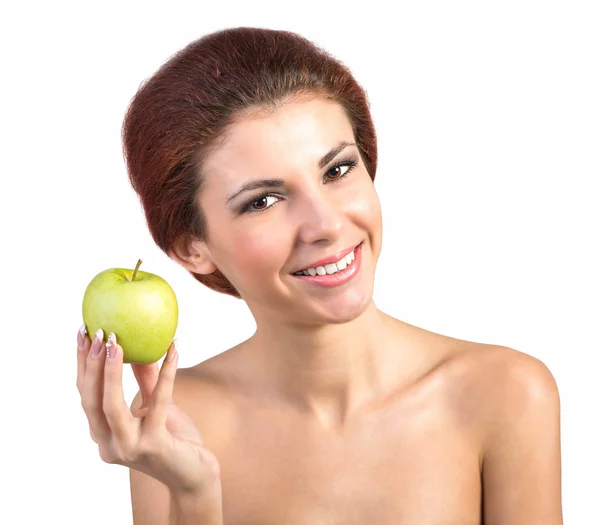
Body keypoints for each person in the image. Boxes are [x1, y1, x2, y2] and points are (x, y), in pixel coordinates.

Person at [76, 27, 563, 525]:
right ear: (192, 247)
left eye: (337, 171)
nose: (327, 224)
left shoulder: (504, 394)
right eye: (263, 201)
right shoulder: (175, 421)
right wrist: (193, 493)